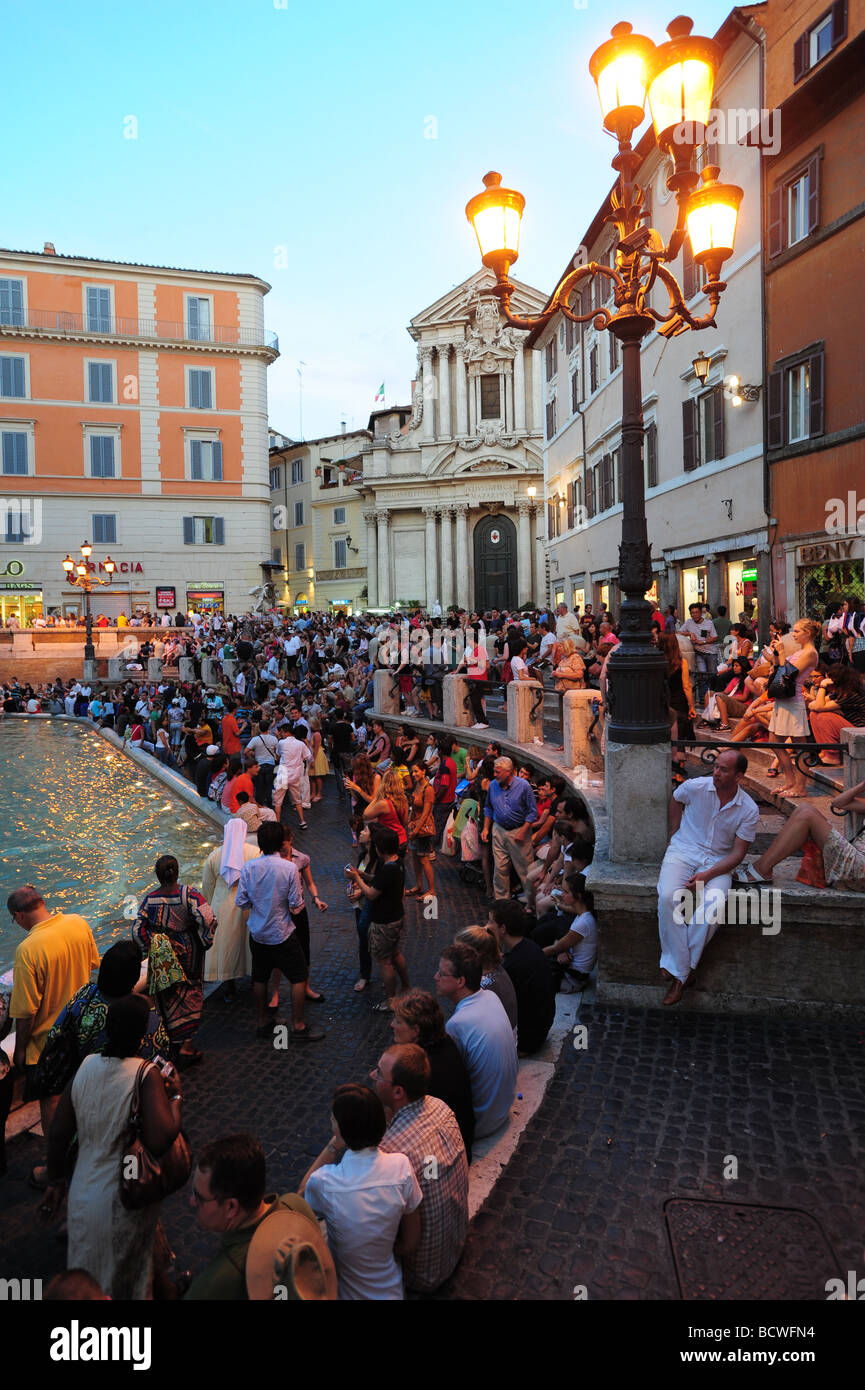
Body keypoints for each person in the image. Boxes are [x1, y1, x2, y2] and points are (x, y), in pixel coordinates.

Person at [41, 996, 183, 1300]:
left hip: (82, 1193)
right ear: (142, 1033)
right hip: (123, 1197)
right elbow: (161, 1138)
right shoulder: (146, 1075)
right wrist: (175, 1098)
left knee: (90, 1280)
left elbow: (58, 1134)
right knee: (130, 1281)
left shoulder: (86, 1066)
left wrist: (55, 1181)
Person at [299, 1083, 422, 1301]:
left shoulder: (324, 1182)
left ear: (342, 1132)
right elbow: (410, 1243)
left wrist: (332, 1146)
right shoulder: (401, 1167)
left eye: (334, 1120)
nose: (330, 1121)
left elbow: (301, 1195)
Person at [657, 749, 759, 1005]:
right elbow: (676, 798)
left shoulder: (749, 809)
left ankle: (679, 973)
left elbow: (737, 855)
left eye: (724, 770)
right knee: (668, 896)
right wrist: (674, 833)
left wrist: (707, 875)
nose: (716, 772)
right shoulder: (696, 787)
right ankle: (684, 971)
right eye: (716, 767)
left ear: (739, 776)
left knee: (714, 905)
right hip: (684, 850)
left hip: (719, 862)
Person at [7, 884, 99, 1158]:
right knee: (82, 1093)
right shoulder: (78, 923)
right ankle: (87, 1146)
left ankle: (55, 1164)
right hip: (83, 1027)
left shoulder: (28, 950)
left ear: (19, 915)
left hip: (48, 1043)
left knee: (52, 1100)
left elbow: (25, 1012)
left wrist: (21, 1050)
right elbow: (93, 963)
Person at [373, 1044, 469, 1294]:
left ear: (397, 1092)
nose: (373, 1076)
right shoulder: (440, 1107)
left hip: (423, 1275)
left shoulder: (391, 1151)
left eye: (379, 1074)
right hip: (455, 1245)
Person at [184, 1133, 320, 1300]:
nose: (191, 1201)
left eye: (199, 1197)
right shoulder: (296, 1207)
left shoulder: (214, 1285)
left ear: (231, 1207)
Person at [235, 822, 324, 1042]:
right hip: (282, 932)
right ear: (280, 843)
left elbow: (242, 901)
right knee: (299, 976)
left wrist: (260, 902)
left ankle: (263, 1022)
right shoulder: (289, 868)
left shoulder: (249, 867)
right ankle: (298, 1025)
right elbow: (296, 904)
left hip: (257, 933)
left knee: (260, 977)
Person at [132, 856, 217, 1068]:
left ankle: (169, 1042)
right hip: (189, 953)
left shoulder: (149, 899)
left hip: (161, 953)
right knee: (190, 993)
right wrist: (204, 940)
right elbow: (208, 918)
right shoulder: (189, 895)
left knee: (166, 996)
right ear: (177, 873)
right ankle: (187, 1045)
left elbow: (136, 930)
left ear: (158, 876)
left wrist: (151, 945)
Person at [436, 942, 518, 1139]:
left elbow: (453, 1082)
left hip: (481, 1122)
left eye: (441, 974)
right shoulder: (490, 996)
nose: (435, 977)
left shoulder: (457, 1024)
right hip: (503, 1108)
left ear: (460, 981)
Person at [734, 777, 865, 890]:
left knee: (807, 815)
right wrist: (862, 785)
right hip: (856, 858)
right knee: (805, 808)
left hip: (861, 869)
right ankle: (762, 866)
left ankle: (762, 869)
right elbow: (838, 802)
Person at [389, 990, 474, 1158]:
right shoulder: (445, 1043)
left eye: (398, 1022)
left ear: (415, 1030)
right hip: (461, 1143)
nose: (392, 1025)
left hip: (437, 1158)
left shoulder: (419, 1068)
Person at [345, 826, 408, 1010]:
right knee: (395, 954)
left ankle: (391, 1000)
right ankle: (406, 986)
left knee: (385, 961)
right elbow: (379, 880)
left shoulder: (387, 869)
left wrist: (357, 879)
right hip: (397, 916)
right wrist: (364, 874)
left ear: (380, 848)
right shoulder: (398, 863)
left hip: (384, 921)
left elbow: (371, 894)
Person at [488, 900, 556, 1056]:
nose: (486, 926)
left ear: (503, 928)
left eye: (491, 921)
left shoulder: (513, 965)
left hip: (526, 1040)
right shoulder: (530, 946)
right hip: (540, 1029)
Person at [201, 820, 259, 996]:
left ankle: (229, 985)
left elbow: (207, 886)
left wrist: (210, 907)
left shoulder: (215, 855)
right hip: (249, 903)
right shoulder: (255, 852)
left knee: (227, 946)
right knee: (249, 944)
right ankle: (255, 980)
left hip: (223, 905)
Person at [765, 618, 820, 797]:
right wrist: (776, 653)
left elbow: (788, 675)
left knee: (800, 746)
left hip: (793, 701)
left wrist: (781, 653)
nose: (793, 635)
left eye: (797, 631)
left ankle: (800, 786)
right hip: (783, 700)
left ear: (808, 633)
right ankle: (790, 781)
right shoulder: (801, 651)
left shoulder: (810, 653)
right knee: (774, 742)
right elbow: (778, 668)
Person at [481, 757, 538, 900]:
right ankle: (502, 903)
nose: (494, 775)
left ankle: (532, 904)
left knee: (525, 871)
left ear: (508, 772)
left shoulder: (524, 786)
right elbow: (488, 807)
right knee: (499, 870)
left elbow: (532, 812)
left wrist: (523, 831)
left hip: (519, 832)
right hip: (499, 829)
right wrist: (486, 828)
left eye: (497, 772)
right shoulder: (493, 785)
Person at [455, 924, 518, 1035]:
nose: (454, 956)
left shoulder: (480, 987)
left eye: (459, 953)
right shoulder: (497, 969)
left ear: (476, 955)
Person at [539, 872, 598, 992]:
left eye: (566, 892)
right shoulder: (583, 915)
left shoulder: (584, 922)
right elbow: (564, 945)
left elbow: (555, 948)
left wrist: (531, 956)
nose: (562, 894)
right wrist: (564, 951)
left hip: (572, 979)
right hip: (570, 968)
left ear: (578, 896)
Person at [407, 760, 437, 901]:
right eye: (412, 772)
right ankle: (419, 886)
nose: (413, 774)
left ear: (423, 771)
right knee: (415, 859)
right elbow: (414, 809)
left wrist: (415, 830)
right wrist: (410, 822)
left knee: (424, 860)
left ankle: (431, 890)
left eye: (416, 771)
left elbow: (426, 813)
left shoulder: (428, 789)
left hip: (423, 830)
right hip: (414, 827)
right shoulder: (417, 786)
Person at [679, 602, 719, 707]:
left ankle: (715, 697)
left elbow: (715, 637)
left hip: (711, 652)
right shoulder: (688, 622)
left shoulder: (709, 623)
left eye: (696, 612)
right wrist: (689, 634)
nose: (694, 615)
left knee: (712, 675)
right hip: (698, 653)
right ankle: (702, 698)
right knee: (702, 674)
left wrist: (704, 642)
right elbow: (678, 632)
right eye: (692, 613)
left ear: (701, 613)